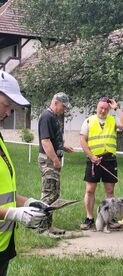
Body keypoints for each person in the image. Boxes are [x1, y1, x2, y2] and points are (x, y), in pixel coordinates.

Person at [0, 72, 48, 276]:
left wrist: (27, 202)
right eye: (7, 104)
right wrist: (14, 214)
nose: (10, 111)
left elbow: (5, 192)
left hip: (3, 243)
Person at [80, 97, 123, 230]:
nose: (103, 110)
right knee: (90, 190)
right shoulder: (89, 121)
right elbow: (82, 140)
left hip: (110, 160)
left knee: (110, 191)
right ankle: (89, 218)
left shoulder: (112, 120)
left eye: (106, 109)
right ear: (96, 107)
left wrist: (116, 108)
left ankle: (110, 218)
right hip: (93, 160)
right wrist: (91, 157)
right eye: (101, 108)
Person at [38, 92, 74, 236]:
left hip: (52, 158)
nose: (64, 109)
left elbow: (52, 139)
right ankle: (41, 229)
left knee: (54, 194)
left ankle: (49, 226)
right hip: (48, 160)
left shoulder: (53, 117)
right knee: (48, 194)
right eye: (63, 106)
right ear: (56, 102)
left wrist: (63, 147)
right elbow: (45, 141)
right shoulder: (46, 117)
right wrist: (55, 160)